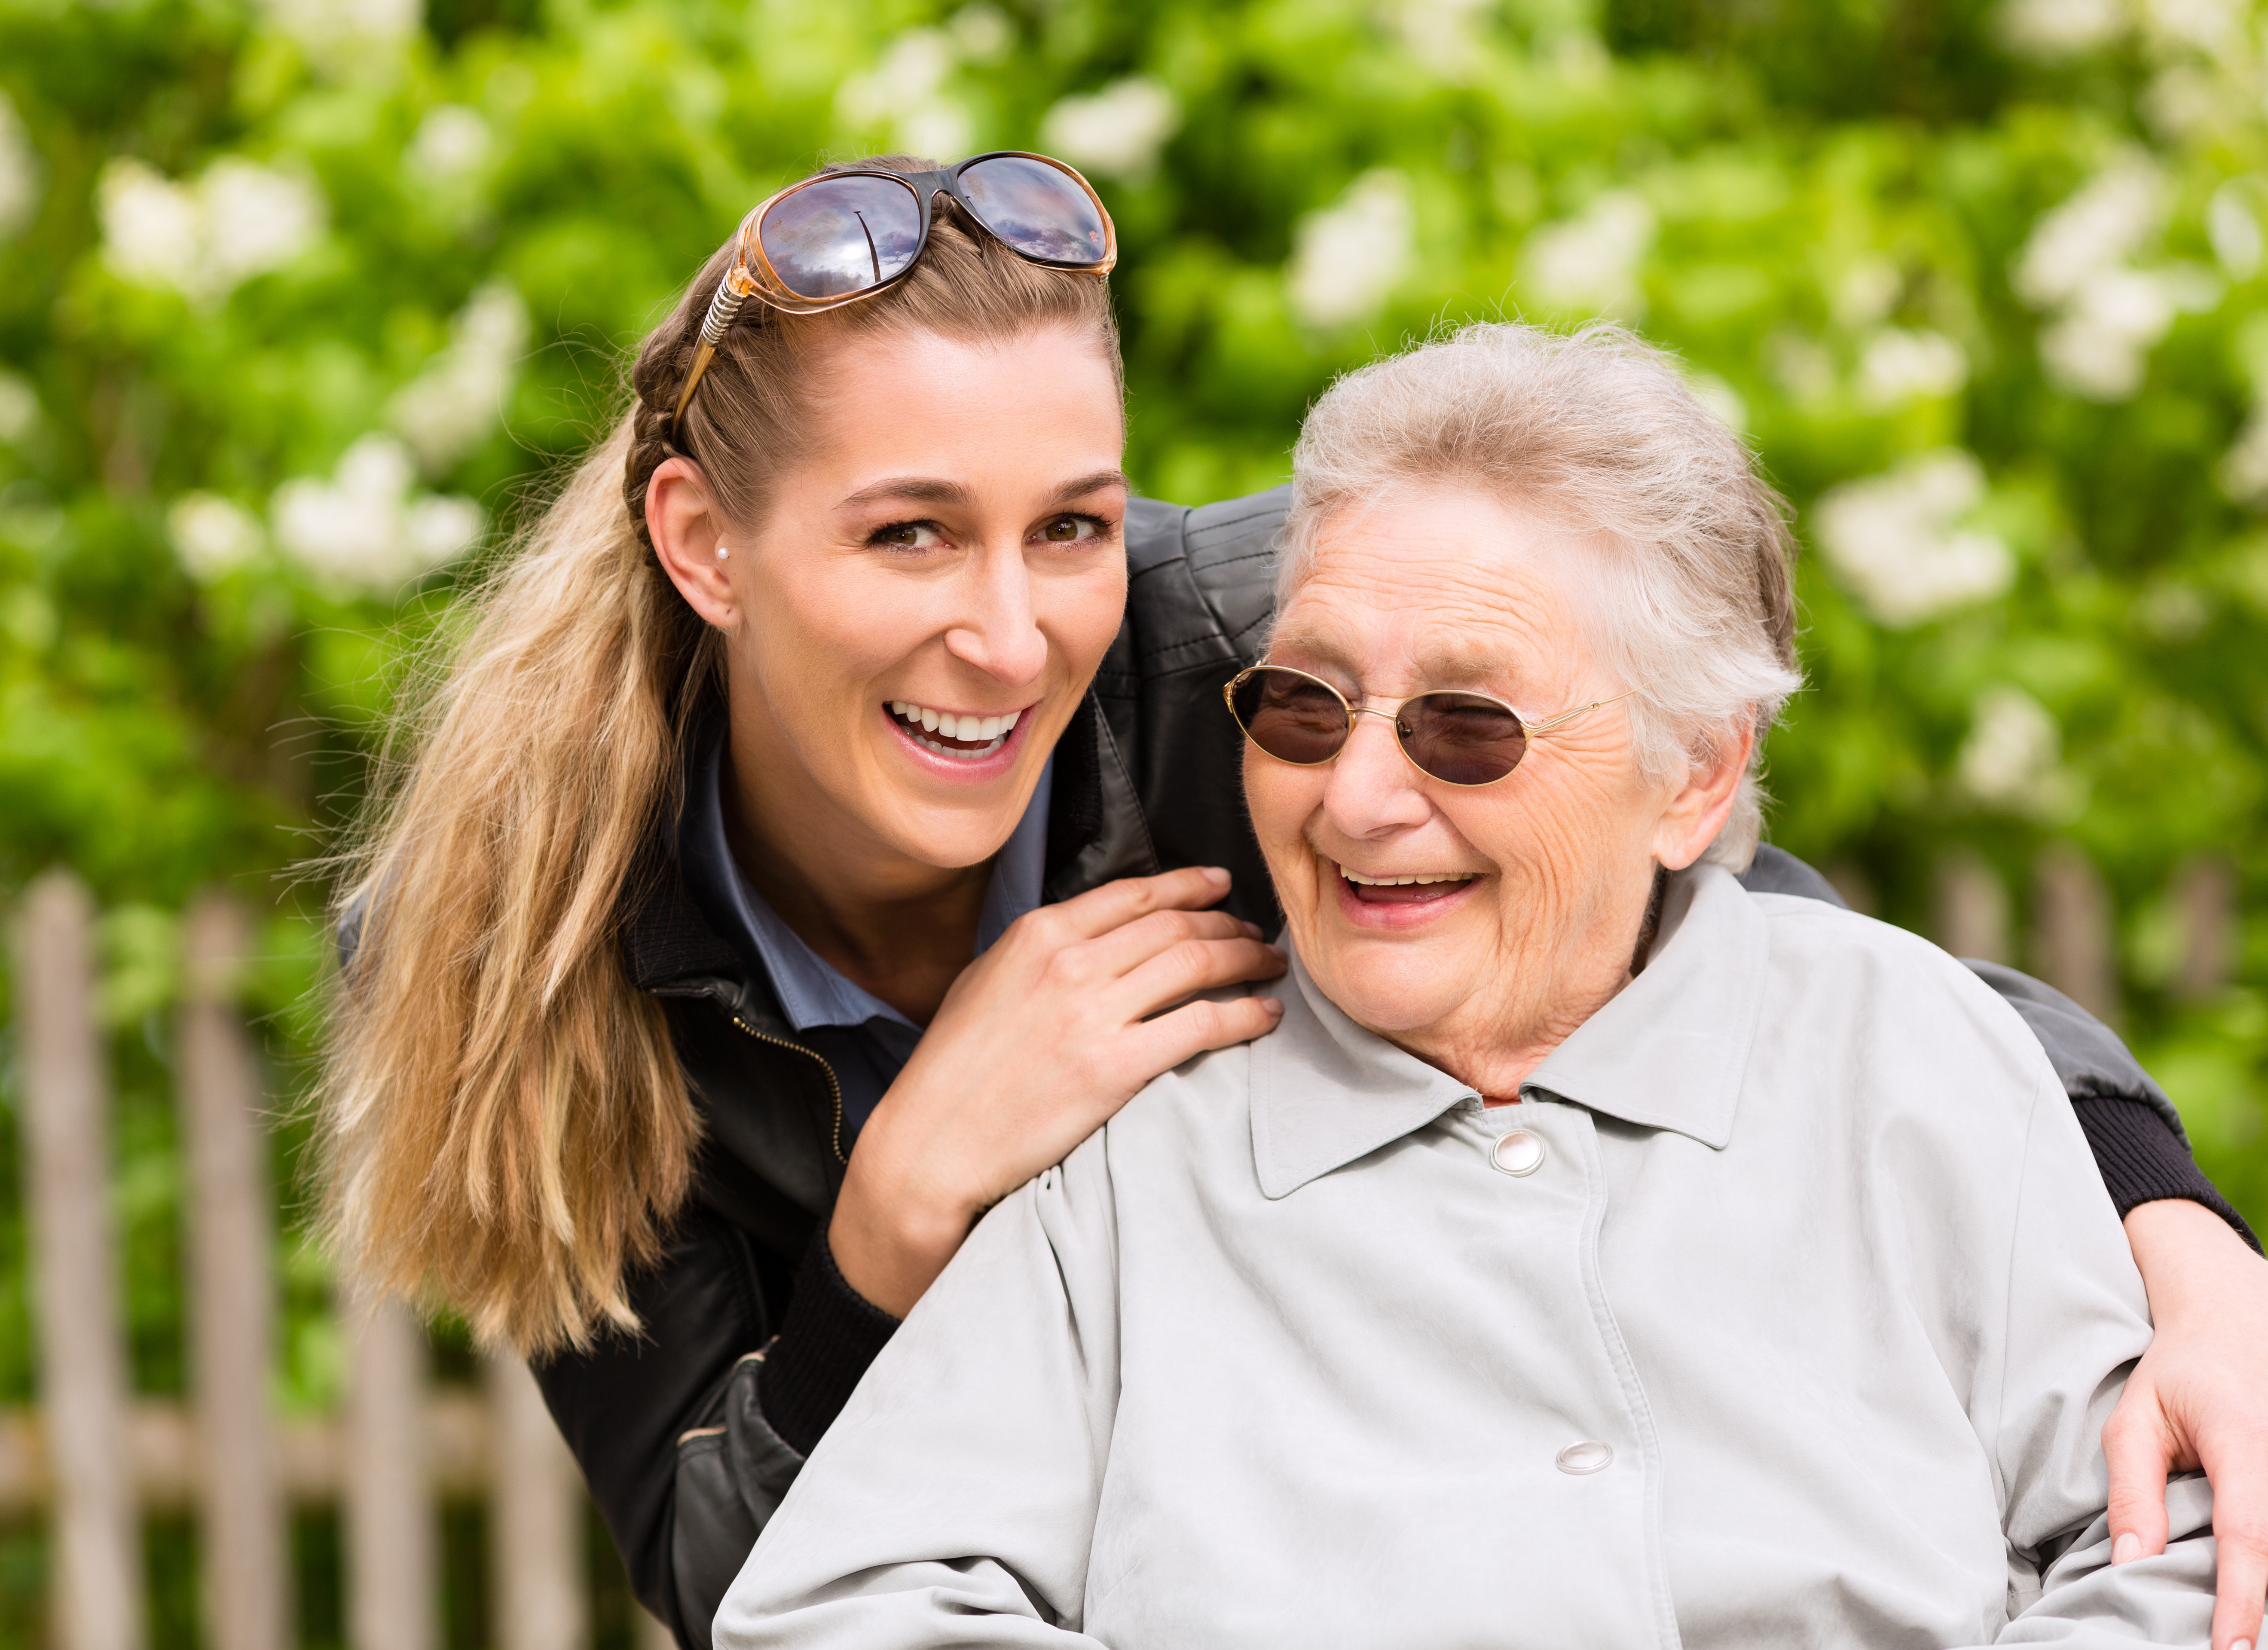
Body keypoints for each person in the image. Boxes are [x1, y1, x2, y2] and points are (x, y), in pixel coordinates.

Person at [315, 156, 2268, 1650]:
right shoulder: (512, 945)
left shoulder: (1267, 634)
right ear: (705, 544)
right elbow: (741, 1577)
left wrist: (2181, 1243)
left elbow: (1745, 944)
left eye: (1072, 524)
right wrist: (900, 1215)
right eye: (909, 531)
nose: (1009, 635)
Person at [713, 323, 2223, 1649]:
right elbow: (846, 1606)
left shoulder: (1908, 1059)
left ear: (1694, 776)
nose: (1356, 799)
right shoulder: (1122, 1149)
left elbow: (2177, 1557)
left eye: (1467, 726)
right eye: (1304, 706)